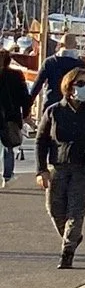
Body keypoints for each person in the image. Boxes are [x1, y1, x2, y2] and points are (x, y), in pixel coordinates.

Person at [36, 68, 85, 268]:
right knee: (55, 209)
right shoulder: (54, 111)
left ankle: (67, 252)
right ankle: (73, 236)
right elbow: (41, 141)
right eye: (80, 83)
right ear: (69, 86)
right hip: (59, 166)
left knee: (75, 211)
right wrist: (41, 170)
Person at [27, 32, 85, 117]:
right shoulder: (81, 65)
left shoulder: (49, 62)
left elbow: (37, 84)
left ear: (60, 45)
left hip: (51, 104)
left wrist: (27, 106)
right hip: (73, 106)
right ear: (76, 45)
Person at [0, 48, 28, 185]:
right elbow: (25, 97)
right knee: (8, 146)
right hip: (11, 116)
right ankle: (7, 175)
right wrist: (26, 114)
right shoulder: (17, 75)